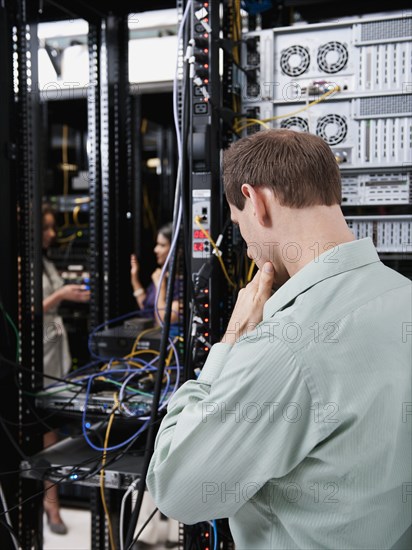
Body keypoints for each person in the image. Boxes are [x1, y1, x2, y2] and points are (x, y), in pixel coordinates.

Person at [146, 130, 412, 549]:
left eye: (239, 225)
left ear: (257, 201)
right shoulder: (403, 297)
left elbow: (176, 488)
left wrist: (231, 343)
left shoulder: (286, 346)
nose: (248, 248)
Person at [42, 204, 90, 534]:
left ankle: (51, 507)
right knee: (43, 433)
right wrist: (61, 293)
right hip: (36, 355)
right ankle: (51, 509)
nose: (51, 233)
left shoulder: (44, 262)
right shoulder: (18, 261)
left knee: (52, 432)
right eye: (45, 227)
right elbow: (21, 311)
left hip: (54, 353)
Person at [130, 222, 180, 325]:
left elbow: (163, 321)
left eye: (162, 245)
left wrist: (160, 287)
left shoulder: (181, 284)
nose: (155, 249)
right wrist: (134, 278)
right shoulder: (163, 274)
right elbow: (146, 309)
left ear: (177, 250)